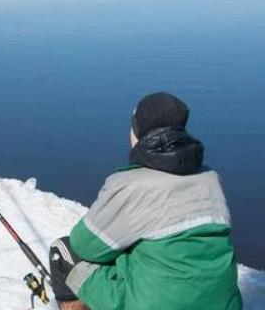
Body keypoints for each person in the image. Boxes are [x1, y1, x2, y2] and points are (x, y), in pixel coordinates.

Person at [49, 92, 242, 310]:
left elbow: (84, 245)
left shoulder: (130, 184)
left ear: (137, 134)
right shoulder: (210, 178)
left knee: (63, 252)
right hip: (224, 305)